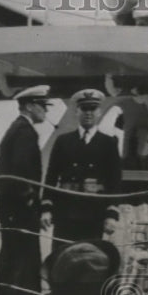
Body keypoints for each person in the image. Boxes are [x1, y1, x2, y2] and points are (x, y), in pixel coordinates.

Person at [0, 85, 53, 295]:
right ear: (29, 106)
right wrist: (30, 202)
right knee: (24, 256)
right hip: (20, 208)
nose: (45, 112)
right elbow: (21, 171)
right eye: (42, 106)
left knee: (10, 255)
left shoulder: (15, 129)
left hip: (10, 206)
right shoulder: (25, 132)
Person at [44, 89, 123, 254]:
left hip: (94, 215)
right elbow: (50, 177)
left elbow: (114, 182)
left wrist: (111, 214)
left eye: (93, 109)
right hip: (65, 214)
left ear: (99, 112)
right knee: (61, 260)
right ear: (77, 111)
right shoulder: (63, 141)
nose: (88, 113)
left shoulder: (108, 144)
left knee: (90, 262)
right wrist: (46, 209)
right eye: (84, 109)